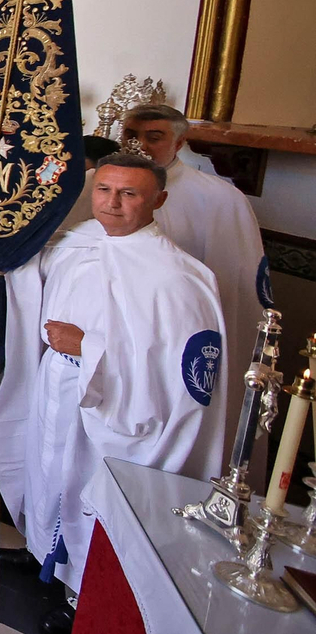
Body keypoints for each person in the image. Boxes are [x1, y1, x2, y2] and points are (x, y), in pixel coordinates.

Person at [0, 154, 228, 634]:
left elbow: (180, 374)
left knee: (90, 493)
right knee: (49, 472)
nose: (112, 203)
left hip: (115, 407)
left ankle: (84, 590)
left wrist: (89, 347)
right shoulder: (78, 242)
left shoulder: (177, 278)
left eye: (129, 194)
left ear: (158, 200)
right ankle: (43, 552)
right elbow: (23, 272)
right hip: (57, 386)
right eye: (104, 190)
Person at [122, 104, 266, 456]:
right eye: (131, 135)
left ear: (180, 141)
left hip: (180, 335)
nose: (139, 144)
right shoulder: (105, 185)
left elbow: (235, 288)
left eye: (153, 137)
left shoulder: (219, 199)